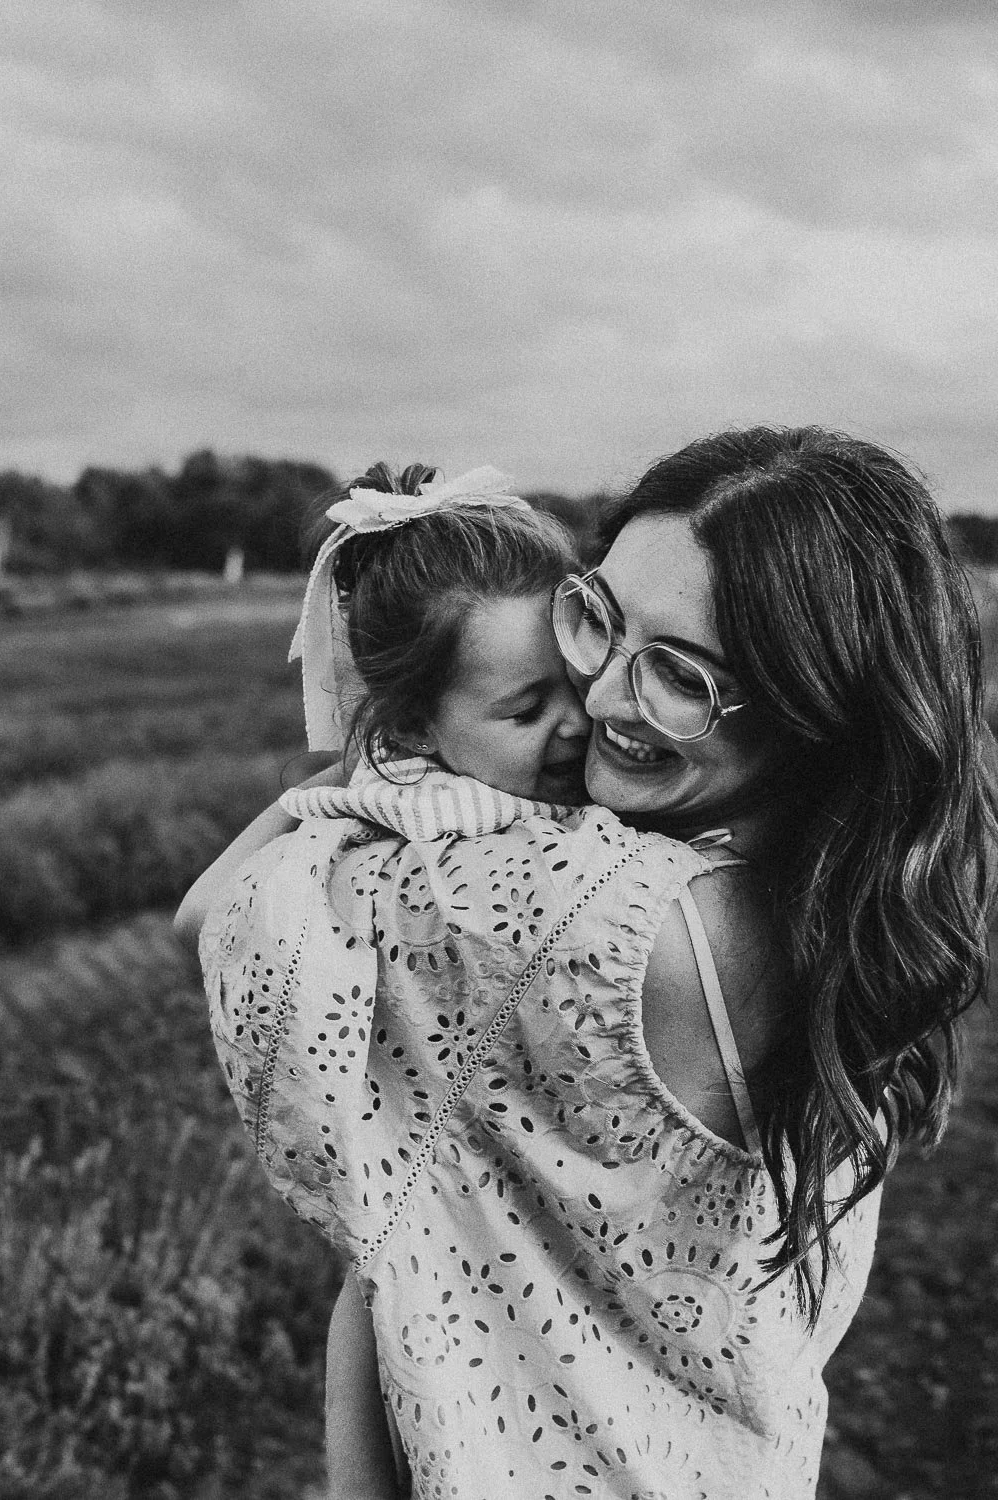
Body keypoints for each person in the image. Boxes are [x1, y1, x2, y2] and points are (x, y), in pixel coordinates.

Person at [185, 429, 996, 1500]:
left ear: (812, 705)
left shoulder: (586, 912)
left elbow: (213, 912)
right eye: (599, 619)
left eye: (677, 675)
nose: (600, 698)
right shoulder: (839, 895)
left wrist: (366, 765)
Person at [176, 459, 591, 1497]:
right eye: (526, 707)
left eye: (580, 683)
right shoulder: (433, 830)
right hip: (445, 1279)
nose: (575, 727)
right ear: (410, 729)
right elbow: (201, 918)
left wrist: (323, 785)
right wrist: (329, 796)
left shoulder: (419, 785)